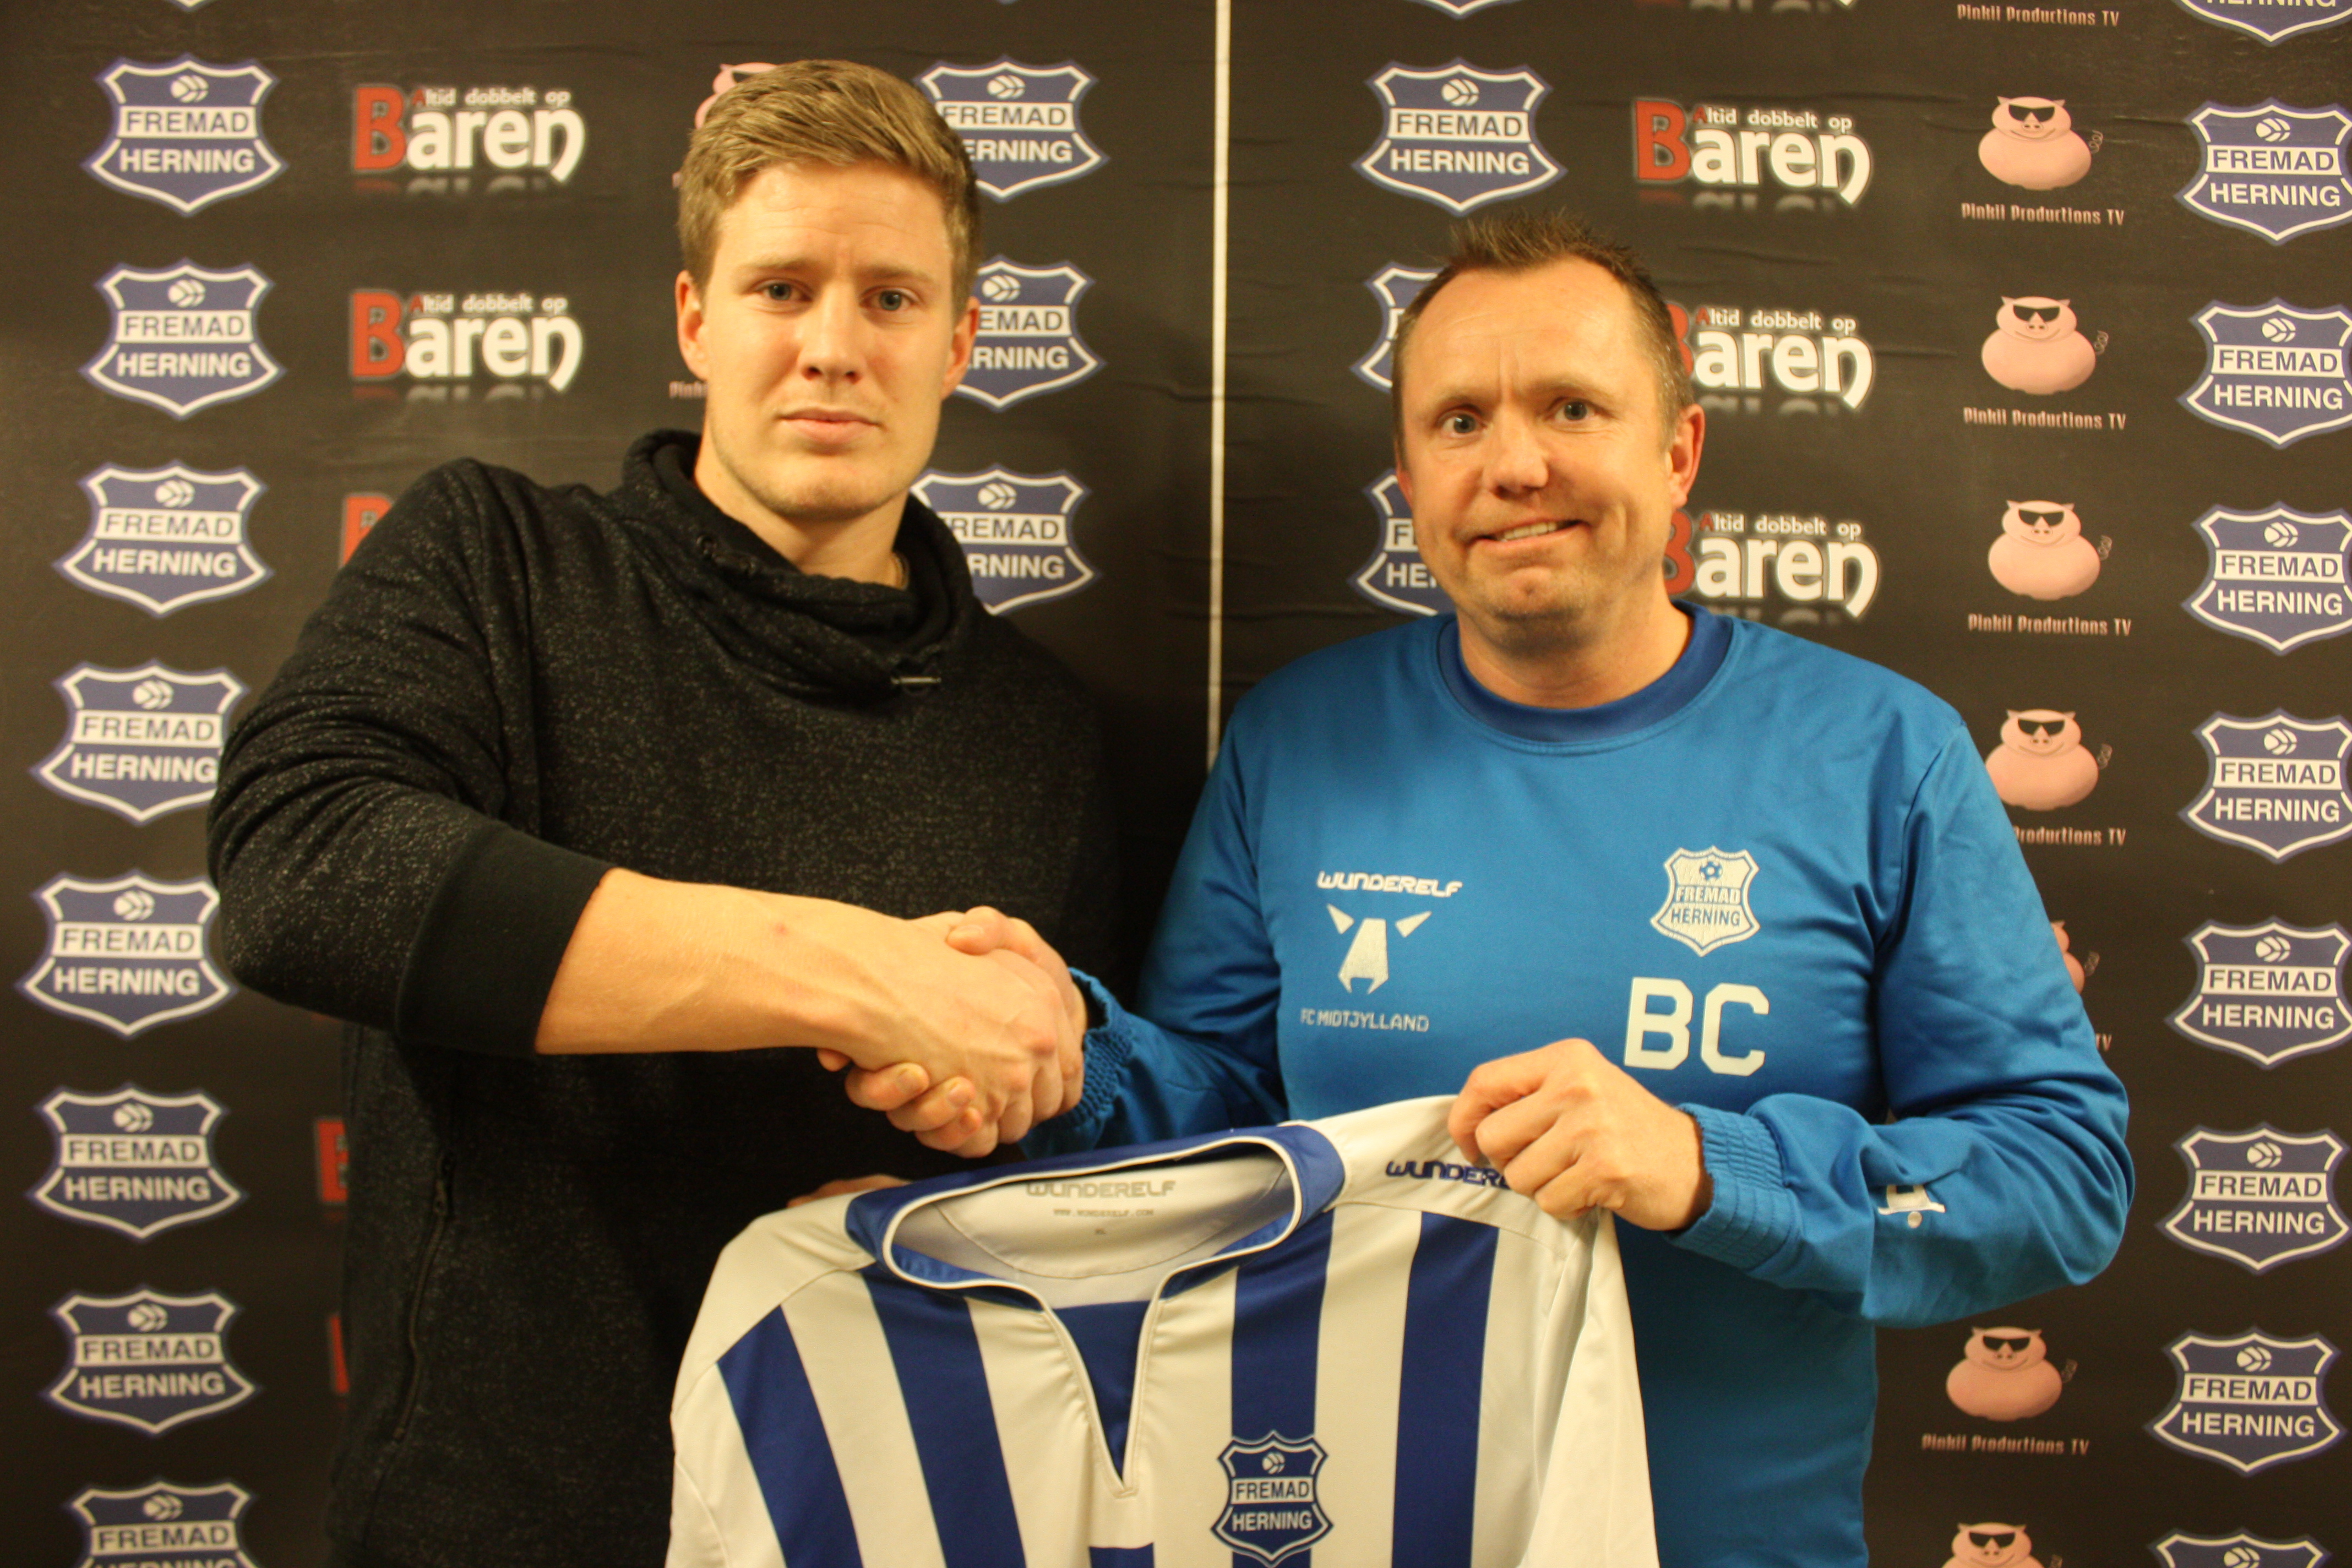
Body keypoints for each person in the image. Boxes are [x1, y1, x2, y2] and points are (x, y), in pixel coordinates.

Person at [884, 210, 2132, 1566]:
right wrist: (1076, 1053)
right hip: (1334, 1521)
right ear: (1412, 474)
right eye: (1461, 421)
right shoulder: (1299, 737)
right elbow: (1220, 1131)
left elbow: (2061, 1173)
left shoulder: (1882, 753)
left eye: (1573, 407)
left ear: (1680, 449)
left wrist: (1709, 1164)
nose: (1516, 464)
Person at [206, 61, 1115, 1568]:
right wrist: (864, 975)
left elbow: (1069, 1136)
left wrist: (975, 1158)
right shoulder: (495, 561)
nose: (833, 348)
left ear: (961, 340)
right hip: (501, 1519)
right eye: (781, 289)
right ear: (697, 320)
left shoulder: (1043, 727)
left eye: (891, 300)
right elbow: (303, 869)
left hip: (887, 1511)